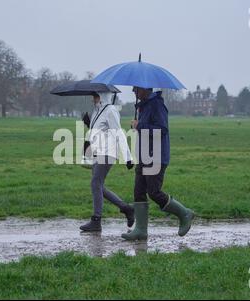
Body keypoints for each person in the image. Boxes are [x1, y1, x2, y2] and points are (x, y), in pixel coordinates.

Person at [122, 87, 195, 241]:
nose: (133, 91)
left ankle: (184, 213)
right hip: (143, 156)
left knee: (154, 192)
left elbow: (162, 129)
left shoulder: (157, 105)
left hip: (156, 156)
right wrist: (137, 126)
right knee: (138, 192)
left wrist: (139, 126)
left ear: (145, 88)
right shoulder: (144, 105)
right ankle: (141, 230)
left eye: (136, 89)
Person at [80, 92, 135, 232]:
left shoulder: (111, 110)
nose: (93, 99)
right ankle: (126, 208)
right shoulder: (97, 111)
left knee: (95, 183)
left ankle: (96, 221)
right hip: (98, 151)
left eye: (95, 96)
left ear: (102, 96)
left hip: (108, 152)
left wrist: (128, 157)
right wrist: (89, 124)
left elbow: (119, 133)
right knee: (99, 186)